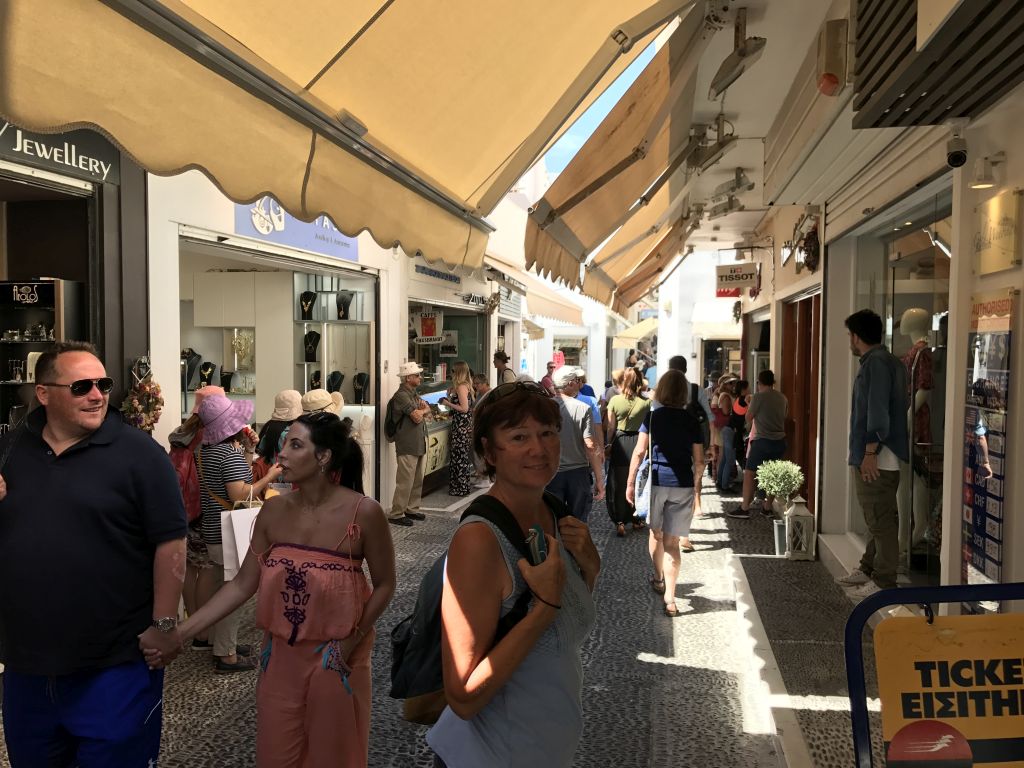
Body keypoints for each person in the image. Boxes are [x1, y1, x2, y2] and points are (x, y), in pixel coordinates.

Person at [151, 413, 396, 768]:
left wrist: (348, 645)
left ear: (323, 456)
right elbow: (242, 584)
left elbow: (386, 584)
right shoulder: (273, 511)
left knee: (333, 755)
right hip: (280, 659)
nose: (281, 454)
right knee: (277, 754)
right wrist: (180, 633)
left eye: (295, 445)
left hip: (336, 657)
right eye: (284, 444)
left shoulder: (364, 513)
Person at [0, 341, 186, 765]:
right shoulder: (11, 450)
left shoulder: (140, 455)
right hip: (27, 663)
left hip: (114, 663)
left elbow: (171, 541)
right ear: (43, 393)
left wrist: (164, 623)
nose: (97, 395)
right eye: (81, 386)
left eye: (103, 384)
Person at [426, 380, 599, 767]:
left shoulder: (555, 514)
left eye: (547, 432)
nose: (539, 448)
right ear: (489, 451)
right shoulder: (479, 540)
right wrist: (543, 608)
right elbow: (463, 697)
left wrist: (590, 568)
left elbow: (564, 629)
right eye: (519, 436)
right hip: (488, 755)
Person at [196, 394, 282, 672]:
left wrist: (247, 450)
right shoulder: (227, 454)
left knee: (222, 589)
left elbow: (237, 478)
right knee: (234, 594)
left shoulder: (204, 451)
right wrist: (269, 477)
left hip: (213, 528)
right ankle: (226, 654)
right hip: (230, 531)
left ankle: (220, 642)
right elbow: (241, 495)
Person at [835, 310, 909, 599]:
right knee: (879, 518)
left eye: (850, 335)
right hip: (883, 455)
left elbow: (877, 411)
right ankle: (869, 569)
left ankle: (883, 580)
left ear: (856, 337)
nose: (849, 341)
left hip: (877, 456)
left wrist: (869, 451)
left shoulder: (875, 364)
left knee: (880, 520)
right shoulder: (889, 361)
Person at [625, 370, 704, 617]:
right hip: (682, 485)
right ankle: (670, 597)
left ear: (662, 390)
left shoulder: (653, 417)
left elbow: (639, 452)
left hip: (658, 482)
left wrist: (630, 483)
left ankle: (658, 578)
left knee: (656, 535)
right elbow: (699, 461)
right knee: (672, 543)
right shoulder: (692, 420)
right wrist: (695, 483)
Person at [169, 384, 224, 652]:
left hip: (183, 508)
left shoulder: (182, 432)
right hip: (204, 509)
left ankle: (193, 626)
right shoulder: (209, 435)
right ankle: (203, 632)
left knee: (190, 568)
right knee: (207, 569)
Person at [727, 370, 789, 520]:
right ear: (773, 382)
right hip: (780, 441)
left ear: (759, 383)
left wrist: (750, 404)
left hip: (762, 440)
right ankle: (767, 507)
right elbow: (785, 416)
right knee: (773, 475)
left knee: (749, 473)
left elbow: (748, 417)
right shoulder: (782, 398)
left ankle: (744, 508)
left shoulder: (758, 397)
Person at [547, 366, 605, 521]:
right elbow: (590, 446)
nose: (580, 384)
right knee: (578, 521)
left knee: (553, 519)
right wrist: (599, 480)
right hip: (577, 473)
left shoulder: (544, 407)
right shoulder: (583, 408)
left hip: (550, 472)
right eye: (578, 380)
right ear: (570, 383)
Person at [605, 367, 651, 535]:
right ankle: (636, 518)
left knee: (619, 482)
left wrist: (608, 444)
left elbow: (611, 427)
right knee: (637, 481)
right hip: (639, 442)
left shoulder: (615, 400)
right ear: (640, 382)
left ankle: (620, 521)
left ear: (623, 381)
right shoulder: (646, 403)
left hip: (620, 443)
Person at [387, 361, 430, 526]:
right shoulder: (401, 396)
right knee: (405, 481)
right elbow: (417, 417)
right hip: (407, 443)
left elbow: (426, 410)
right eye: (417, 375)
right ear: (408, 378)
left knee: (417, 479)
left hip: (417, 442)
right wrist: (423, 410)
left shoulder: (413, 394)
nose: (420, 378)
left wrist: (423, 410)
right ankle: (397, 513)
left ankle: (412, 509)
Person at [440, 361, 475, 497]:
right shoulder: (464, 386)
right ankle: (461, 487)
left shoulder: (461, 387)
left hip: (461, 427)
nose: (451, 373)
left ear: (458, 372)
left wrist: (447, 403)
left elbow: (464, 408)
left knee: (459, 457)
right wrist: (450, 396)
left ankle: (459, 488)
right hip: (463, 425)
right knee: (460, 457)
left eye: (453, 371)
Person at [253, 388, 303, 482]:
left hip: (270, 478)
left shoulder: (268, 426)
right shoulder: (291, 433)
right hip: (288, 480)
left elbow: (261, 452)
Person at [715, 380, 736, 491]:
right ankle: (725, 485)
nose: (733, 385)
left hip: (724, 429)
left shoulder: (723, 395)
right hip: (727, 428)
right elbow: (726, 411)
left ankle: (720, 482)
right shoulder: (726, 396)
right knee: (729, 459)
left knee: (724, 458)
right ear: (726, 384)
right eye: (731, 383)